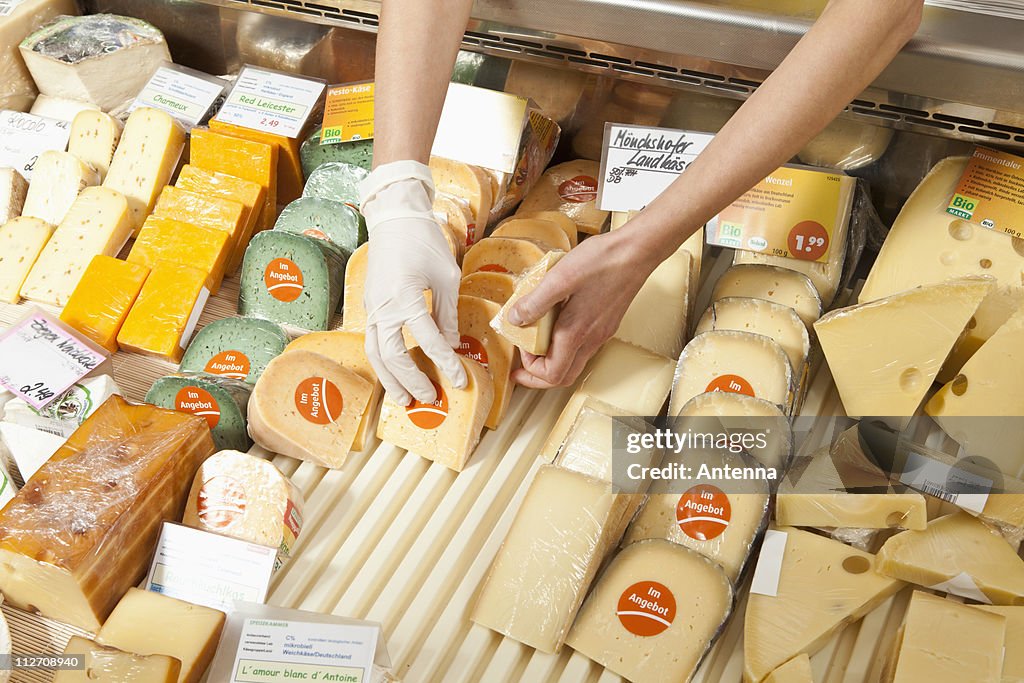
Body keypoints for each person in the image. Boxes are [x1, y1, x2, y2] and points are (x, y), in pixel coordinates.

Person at [359, 0, 924, 406]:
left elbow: (885, 10)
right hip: (574, 48)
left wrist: (641, 243)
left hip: (784, 91)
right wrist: (397, 194)